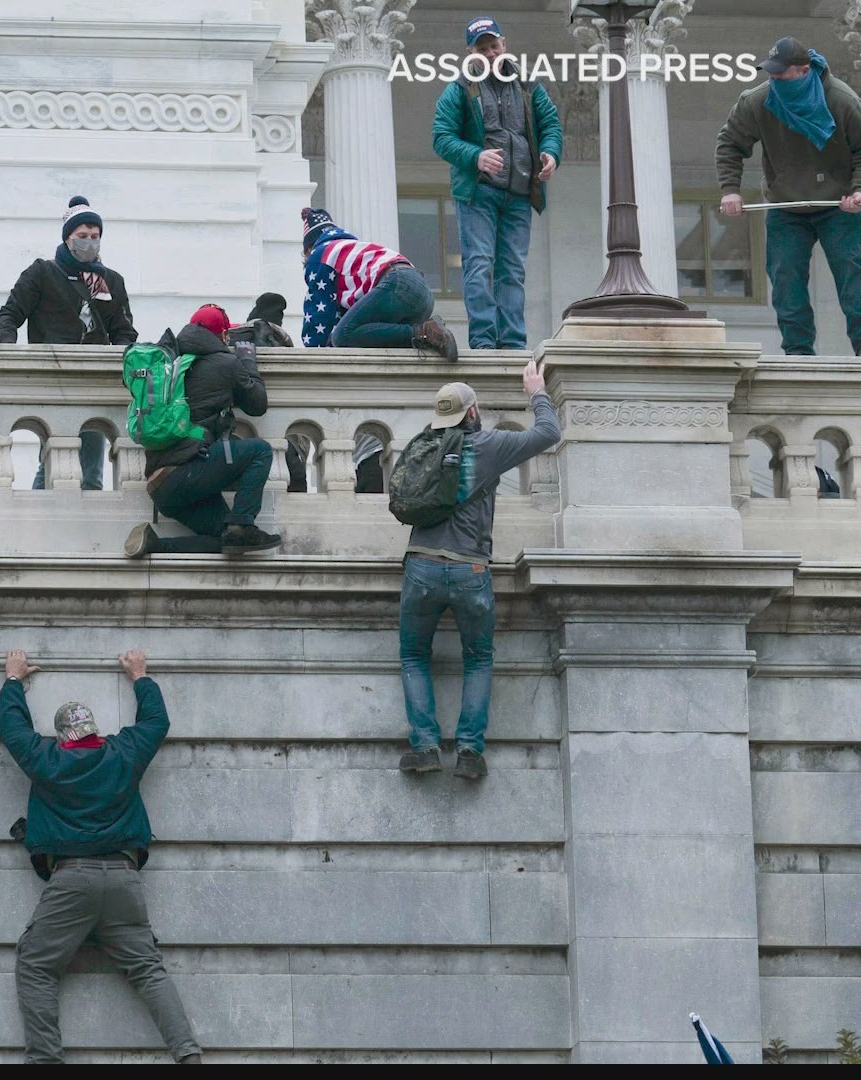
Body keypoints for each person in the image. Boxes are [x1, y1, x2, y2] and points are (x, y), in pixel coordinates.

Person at [0, 647, 202, 1066]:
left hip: (72, 880)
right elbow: (156, 723)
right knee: (148, 971)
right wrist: (140, 676)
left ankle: (46, 1062)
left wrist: (13, 680)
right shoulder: (122, 752)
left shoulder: (47, 758)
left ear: (61, 737)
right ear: (94, 729)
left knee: (36, 967)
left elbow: (13, 732)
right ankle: (188, 1054)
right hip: (125, 879)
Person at [398, 361, 559, 779]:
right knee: (478, 659)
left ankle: (425, 747)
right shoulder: (488, 445)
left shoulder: (424, 445)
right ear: (472, 413)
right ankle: (469, 752)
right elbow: (549, 434)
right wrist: (536, 391)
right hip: (470, 567)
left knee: (414, 657)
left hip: (421, 564)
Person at [718, 36, 861, 356]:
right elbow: (729, 144)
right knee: (785, 280)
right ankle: (798, 353)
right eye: (771, 75)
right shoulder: (757, 101)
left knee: (855, 277)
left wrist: (858, 189)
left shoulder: (840, 99)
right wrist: (730, 190)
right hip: (787, 205)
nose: (775, 81)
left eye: (781, 75)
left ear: (804, 71)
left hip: (838, 206)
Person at [432, 17, 562, 351]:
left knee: (513, 271)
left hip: (519, 193)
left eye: (494, 45)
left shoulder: (529, 84)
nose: (490, 53)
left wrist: (550, 153)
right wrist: (476, 156)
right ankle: (484, 342)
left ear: (504, 44)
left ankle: (514, 344)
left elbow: (551, 124)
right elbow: (441, 137)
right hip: (479, 192)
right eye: (482, 48)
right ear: (470, 52)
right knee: (478, 265)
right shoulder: (460, 87)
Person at [0, 196, 137, 491]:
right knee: (57, 458)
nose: (89, 242)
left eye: (95, 237)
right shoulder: (43, 272)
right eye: (82, 237)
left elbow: (124, 330)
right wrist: (10, 352)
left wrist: (118, 360)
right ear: (68, 237)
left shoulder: (110, 281)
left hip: (96, 379)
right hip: (53, 374)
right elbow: (8, 316)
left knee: (92, 465)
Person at [124, 305, 282, 556]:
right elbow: (257, 404)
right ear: (223, 336)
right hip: (187, 472)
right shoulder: (226, 363)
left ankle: (155, 545)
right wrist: (247, 362)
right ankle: (243, 523)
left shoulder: (170, 362)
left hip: (160, 484)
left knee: (226, 540)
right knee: (259, 451)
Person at [301, 207, 457, 358]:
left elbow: (319, 314)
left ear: (309, 248)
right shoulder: (352, 249)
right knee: (372, 336)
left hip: (398, 284)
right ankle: (429, 335)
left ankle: (424, 332)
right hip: (422, 293)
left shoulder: (320, 254)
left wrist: (315, 353)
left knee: (342, 336)